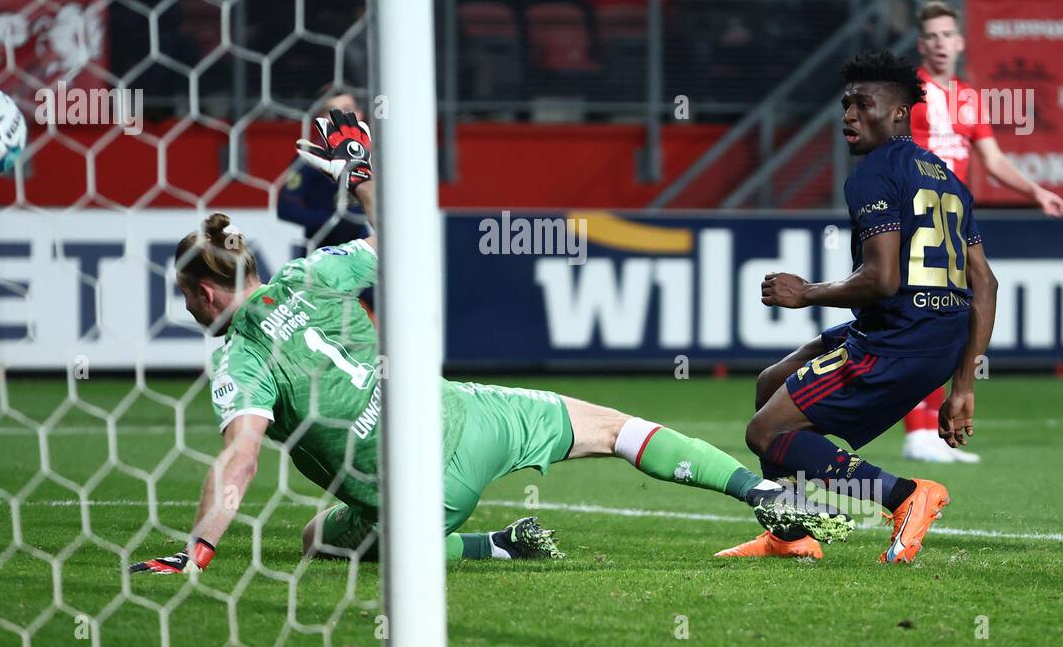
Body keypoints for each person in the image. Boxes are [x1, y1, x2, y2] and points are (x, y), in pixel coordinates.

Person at [130, 112, 851, 575]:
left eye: (184, 296)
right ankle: (758, 491)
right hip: (463, 419)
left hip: (418, 499)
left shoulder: (238, 355)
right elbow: (403, 245)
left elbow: (243, 455)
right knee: (614, 430)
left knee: (321, 538)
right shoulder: (311, 273)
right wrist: (361, 172)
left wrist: (197, 548)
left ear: (202, 292)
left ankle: (495, 545)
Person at [718, 51, 999, 564]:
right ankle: (790, 534)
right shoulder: (948, 180)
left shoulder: (874, 174)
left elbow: (881, 278)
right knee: (770, 384)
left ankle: (904, 496)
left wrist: (804, 293)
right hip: (927, 336)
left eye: (862, 104)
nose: (848, 114)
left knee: (765, 432)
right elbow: (986, 284)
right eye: (846, 104)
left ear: (897, 114)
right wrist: (963, 386)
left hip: (897, 341)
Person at [901, 1, 1063, 463]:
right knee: (921, 320)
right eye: (931, 36)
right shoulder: (908, 92)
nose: (939, 43)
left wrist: (1035, 192)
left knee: (953, 319)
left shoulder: (969, 98)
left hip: (952, 219)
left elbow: (992, 161)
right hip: (916, 217)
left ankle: (933, 430)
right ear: (922, 44)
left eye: (946, 34)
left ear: (959, 42)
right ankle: (915, 430)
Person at [277, 91, 368, 250]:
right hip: (323, 250)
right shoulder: (310, 156)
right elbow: (286, 208)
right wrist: (334, 221)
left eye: (346, 109)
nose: (338, 116)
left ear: (359, 114)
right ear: (321, 118)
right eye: (331, 110)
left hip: (365, 249)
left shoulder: (378, 156)